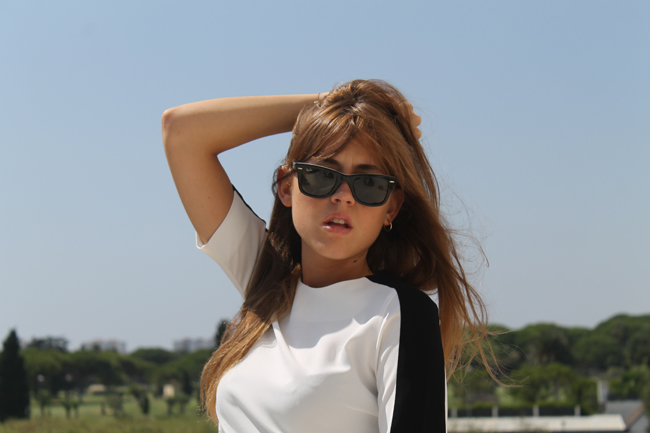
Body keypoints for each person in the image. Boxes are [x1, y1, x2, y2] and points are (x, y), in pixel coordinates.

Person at [162, 80, 492, 433]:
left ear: (391, 208)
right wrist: (331, 106)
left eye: (368, 184)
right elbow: (181, 131)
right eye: (321, 175)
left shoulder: (397, 313)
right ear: (287, 188)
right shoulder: (266, 281)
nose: (343, 196)